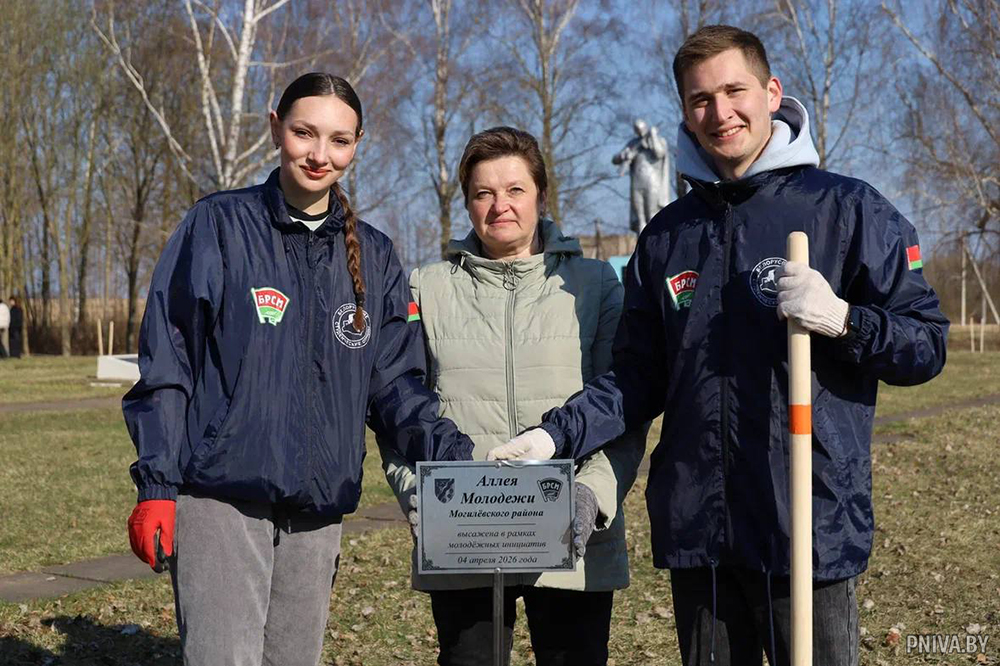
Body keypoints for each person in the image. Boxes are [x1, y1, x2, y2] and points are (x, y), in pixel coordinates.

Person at [489, 25, 949, 666]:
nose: (720, 112)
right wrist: (552, 437)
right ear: (684, 110)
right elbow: (635, 378)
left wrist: (844, 320)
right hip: (701, 529)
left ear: (772, 92)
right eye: (701, 99)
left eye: (735, 91)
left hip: (805, 524)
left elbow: (926, 346)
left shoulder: (847, 210)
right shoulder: (668, 236)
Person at [122, 72, 474, 666]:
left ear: (358, 143)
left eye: (339, 140)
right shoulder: (218, 226)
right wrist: (158, 485)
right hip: (221, 500)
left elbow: (395, 386)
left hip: (317, 510)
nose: (319, 154)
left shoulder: (378, 255)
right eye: (303, 133)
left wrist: (458, 460)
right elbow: (170, 357)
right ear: (274, 129)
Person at [378, 126, 647, 666]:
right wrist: (423, 500)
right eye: (483, 193)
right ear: (468, 203)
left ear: (541, 195)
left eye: (515, 190)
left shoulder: (595, 286)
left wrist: (589, 498)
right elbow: (396, 408)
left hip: (574, 543)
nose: (500, 206)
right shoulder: (425, 288)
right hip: (463, 540)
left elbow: (624, 406)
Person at [612, 119, 671, 233]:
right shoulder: (633, 143)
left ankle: (655, 244)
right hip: (637, 182)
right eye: (637, 130)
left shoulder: (658, 140)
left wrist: (653, 136)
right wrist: (623, 155)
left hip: (653, 182)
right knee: (639, 218)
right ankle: (642, 246)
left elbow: (659, 153)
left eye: (641, 129)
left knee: (652, 214)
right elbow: (615, 160)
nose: (640, 132)